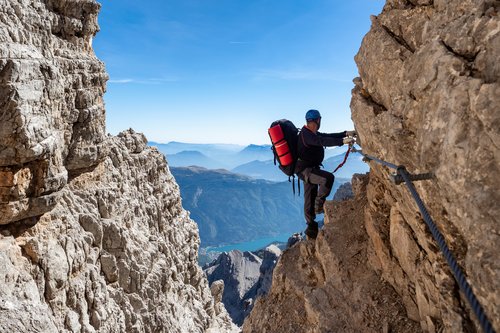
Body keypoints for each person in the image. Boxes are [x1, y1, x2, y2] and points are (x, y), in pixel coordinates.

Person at [295, 109, 355, 239]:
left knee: (309, 198)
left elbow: (327, 136)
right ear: (318, 120)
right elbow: (322, 141)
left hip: (307, 169)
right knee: (327, 179)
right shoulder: (307, 135)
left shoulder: (309, 132)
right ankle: (319, 205)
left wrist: (345, 134)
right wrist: (342, 142)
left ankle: (311, 230)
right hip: (306, 171)